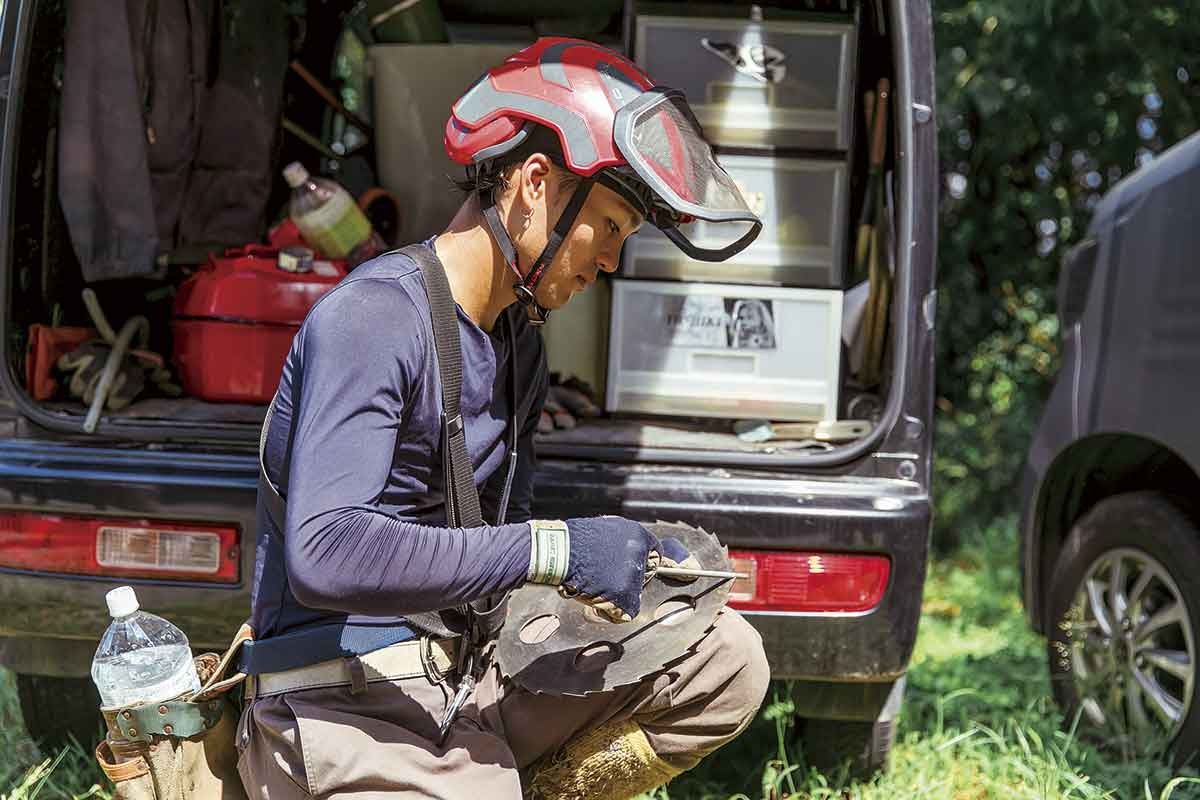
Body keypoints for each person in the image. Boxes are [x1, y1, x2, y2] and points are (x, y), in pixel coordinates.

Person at [235, 38, 770, 800]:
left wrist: (607, 572)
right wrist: (555, 549)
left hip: (462, 676)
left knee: (727, 658)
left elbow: (496, 552)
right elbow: (325, 553)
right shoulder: (374, 317)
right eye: (611, 226)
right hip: (337, 700)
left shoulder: (519, 344)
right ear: (534, 182)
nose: (612, 260)